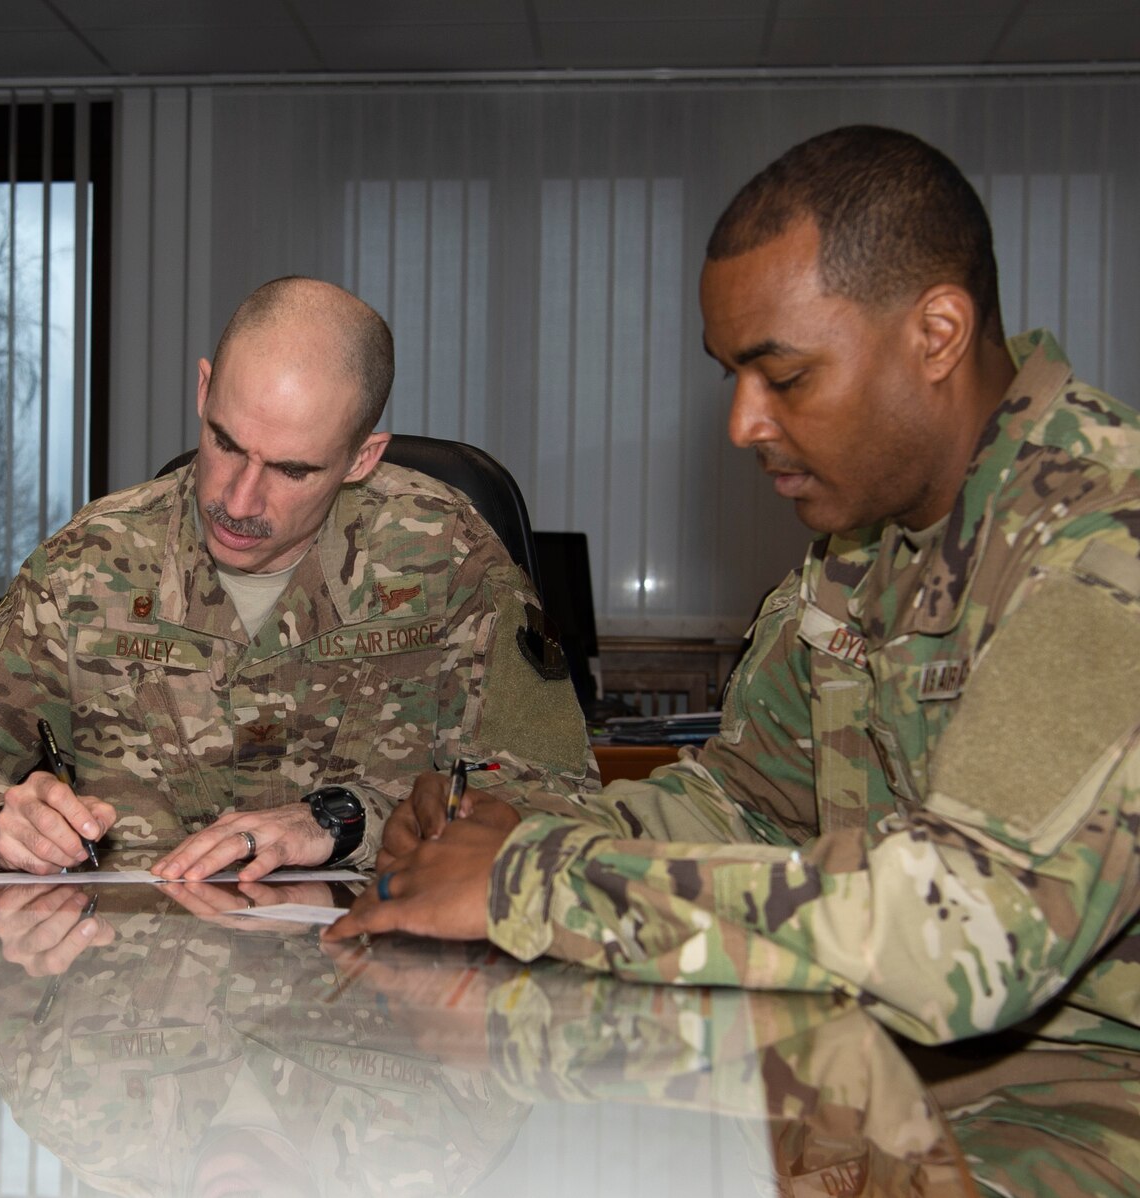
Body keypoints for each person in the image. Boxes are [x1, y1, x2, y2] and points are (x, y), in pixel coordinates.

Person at [330, 125, 1140, 1049]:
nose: (744, 423)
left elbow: (964, 931)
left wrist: (533, 882)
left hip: (1079, 1096)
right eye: (733, 376)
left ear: (938, 335)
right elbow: (749, 804)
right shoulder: (865, 544)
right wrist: (519, 825)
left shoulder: (1104, 548)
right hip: (872, 1056)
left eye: (784, 376)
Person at [0, 277, 593, 880]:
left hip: (362, 1007)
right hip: (138, 1003)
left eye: (293, 470)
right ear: (204, 390)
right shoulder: (91, 564)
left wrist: (344, 822)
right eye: (224, 443)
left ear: (362, 457)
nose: (240, 502)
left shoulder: (447, 560)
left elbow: (559, 801)